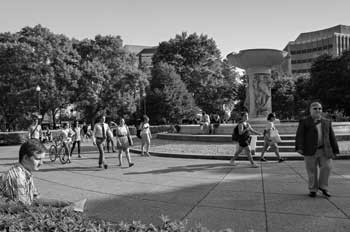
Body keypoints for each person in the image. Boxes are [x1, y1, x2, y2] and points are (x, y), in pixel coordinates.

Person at [0, 139, 69, 207]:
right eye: (38, 159)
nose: (41, 163)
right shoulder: (18, 176)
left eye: (42, 159)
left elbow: (35, 198)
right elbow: (22, 207)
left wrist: (62, 203)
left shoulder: (25, 172)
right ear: (26, 158)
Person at [295, 101, 339, 198]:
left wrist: (335, 150)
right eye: (315, 108)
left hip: (324, 150)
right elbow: (300, 136)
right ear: (310, 110)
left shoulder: (327, 122)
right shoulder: (304, 121)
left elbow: (332, 137)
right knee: (311, 170)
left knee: (327, 167)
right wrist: (299, 147)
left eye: (320, 108)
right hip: (309, 150)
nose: (318, 110)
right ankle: (313, 189)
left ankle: (323, 187)